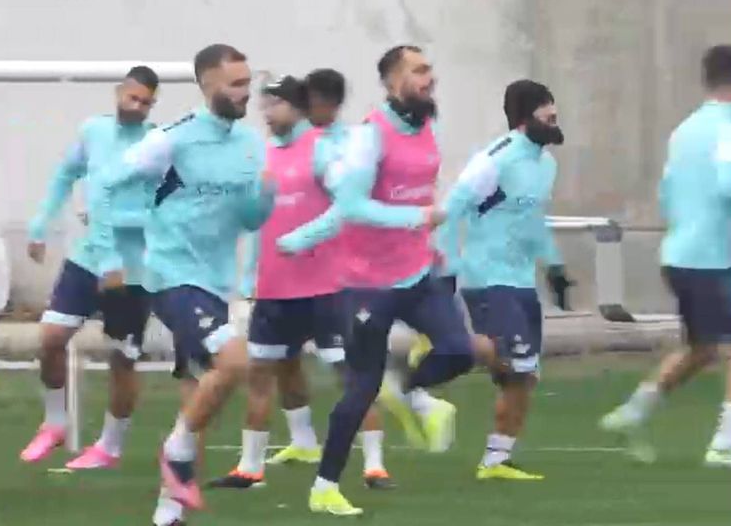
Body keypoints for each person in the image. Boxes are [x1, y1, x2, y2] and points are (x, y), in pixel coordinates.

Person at [279, 45, 467, 516]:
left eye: (430, 69)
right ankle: (325, 486)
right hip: (367, 284)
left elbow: (418, 189)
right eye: (419, 71)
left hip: (418, 270)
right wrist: (418, 217)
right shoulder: (369, 137)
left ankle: (408, 392)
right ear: (390, 82)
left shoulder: (424, 126)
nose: (429, 78)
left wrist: (428, 234)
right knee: (361, 387)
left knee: (459, 351)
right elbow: (353, 207)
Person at [93, 44, 273, 522]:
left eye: (247, 83)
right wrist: (116, 252)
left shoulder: (251, 146)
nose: (245, 93)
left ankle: (167, 510)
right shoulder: (172, 140)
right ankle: (172, 452)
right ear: (207, 85)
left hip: (216, 283)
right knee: (235, 362)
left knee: (199, 395)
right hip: (171, 276)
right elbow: (109, 182)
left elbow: (251, 219)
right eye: (235, 84)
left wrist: (268, 195)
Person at [209, 73, 393, 491]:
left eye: (274, 104)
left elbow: (348, 207)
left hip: (325, 290)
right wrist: (249, 277)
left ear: (295, 107)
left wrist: (308, 240)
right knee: (260, 375)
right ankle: (250, 468)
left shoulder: (324, 152)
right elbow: (259, 223)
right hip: (274, 291)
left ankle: (375, 466)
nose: (266, 113)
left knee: (351, 377)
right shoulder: (261, 157)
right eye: (264, 105)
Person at [601, 44, 731, 468]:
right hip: (713, 257)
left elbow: (665, 192)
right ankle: (726, 444)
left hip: (679, 252)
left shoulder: (684, 130)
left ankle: (634, 411)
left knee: (702, 348)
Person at [19, 66, 161, 469]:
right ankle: (54, 423)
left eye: (145, 102)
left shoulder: (156, 145)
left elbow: (163, 206)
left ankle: (110, 447)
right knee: (50, 337)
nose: (136, 106)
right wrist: (40, 223)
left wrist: (132, 230)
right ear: (119, 93)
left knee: (123, 358)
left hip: (132, 270)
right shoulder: (93, 132)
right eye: (132, 97)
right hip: (88, 257)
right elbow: (66, 174)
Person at [436, 79, 573, 481]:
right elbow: (453, 208)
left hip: (521, 282)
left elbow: (532, 223)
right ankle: (428, 365)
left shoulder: (546, 165)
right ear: (526, 116)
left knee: (524, 374)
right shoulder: (494, 159)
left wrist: (555, 267)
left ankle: (496, 461)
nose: (554, 117)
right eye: (547, 110)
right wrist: (447, 269)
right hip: (486, 278)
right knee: (517, 361)